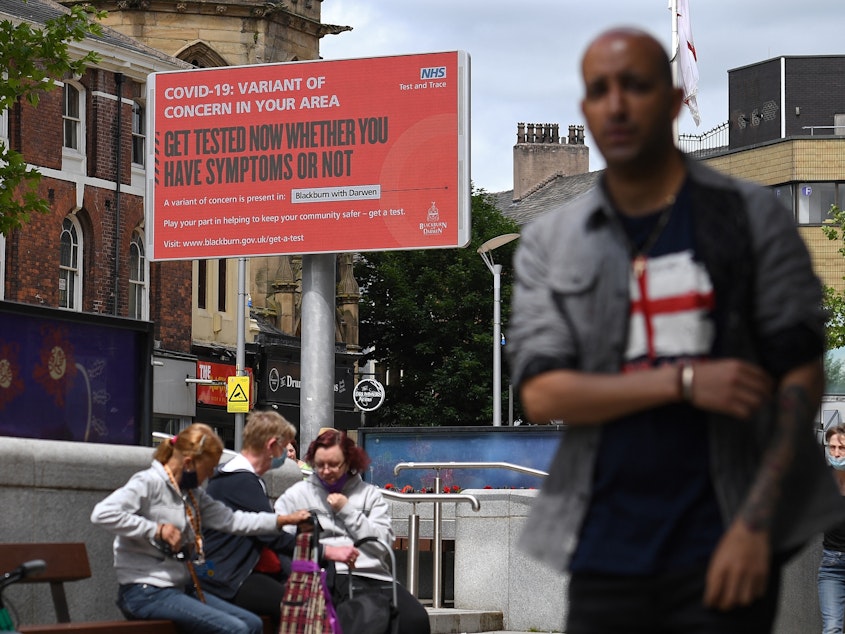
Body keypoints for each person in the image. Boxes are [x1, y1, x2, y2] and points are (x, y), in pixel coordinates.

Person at [506, 26, 845, 634]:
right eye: (598, 90)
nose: (616, 104)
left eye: (634, 85)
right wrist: (683, 382)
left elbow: (800, 374)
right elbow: (540, 393)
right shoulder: (553, 242)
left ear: (670, 101)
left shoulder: (753, 217)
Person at [90, 423, 311, 634]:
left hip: (180, 586)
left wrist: (281, 521)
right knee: (237, 629)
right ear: (188, 463)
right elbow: (103, 513)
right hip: (145, 590)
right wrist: (157, 530)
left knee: (252, 624)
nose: (211, 476)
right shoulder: (149, 483)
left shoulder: (192, 494)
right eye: (208, 469)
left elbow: (233, 521)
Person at [201, 410, 357, 630]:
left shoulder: (239, 478)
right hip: (228, 578)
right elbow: (271, 536)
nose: (287, 453)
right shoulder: (240, 481)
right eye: (284, 447)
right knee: (298, 606)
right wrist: (326, 552)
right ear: (272, 445)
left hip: (235, 571)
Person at [274, 429, 431, 634]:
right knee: (362, 617)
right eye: (320, 465)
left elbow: (381, 544)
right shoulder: (298, 495)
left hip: (372, 575)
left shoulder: (369, 494)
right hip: (326, 574)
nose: (326, 471)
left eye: (334, 465)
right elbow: (281, 536)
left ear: (349, 463)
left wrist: (347, 510)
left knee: (415, 619)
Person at [819, 425, 845, 634]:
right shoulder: (824, 479)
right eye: (832, 447)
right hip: (832, 564)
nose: (836, 453)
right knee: (832, 628)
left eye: (842, 448)